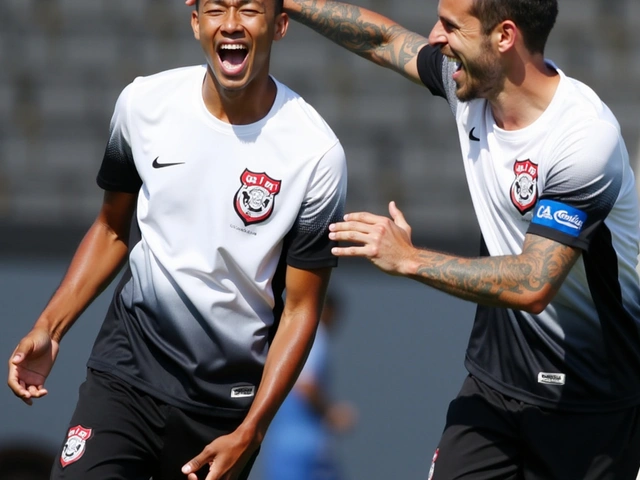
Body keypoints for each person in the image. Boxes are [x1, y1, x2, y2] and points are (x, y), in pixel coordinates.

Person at [182, 0, 640, 478]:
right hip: (493, 389)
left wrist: (408, 259)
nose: (435, 38)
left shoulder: (584, 140)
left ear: (504, 37)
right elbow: (385, 41)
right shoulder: (469, 86)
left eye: (450, 27)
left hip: (591, 403)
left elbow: (532, 283)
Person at [7, 0, 347, 479]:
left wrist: (251, 431)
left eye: (249, 9)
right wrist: (50, 326)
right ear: (196, 22)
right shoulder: (144, 104)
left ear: (280, 25)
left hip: (221, 409)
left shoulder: (315, 153)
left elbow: (300, 309)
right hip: (125, 374)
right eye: (215, 9)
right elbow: (110, 229)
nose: (231, 24)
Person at [261, 291, 357, 480]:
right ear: (326, 311)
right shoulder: (315, 334)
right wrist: (332, 412)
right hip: (305, 446)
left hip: (281, 444)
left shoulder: (288, 334)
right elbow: (305, 384)